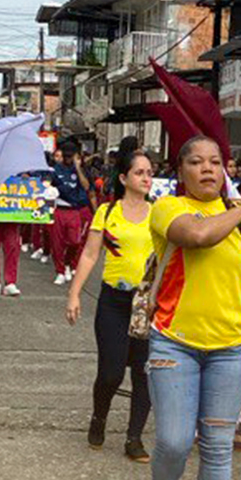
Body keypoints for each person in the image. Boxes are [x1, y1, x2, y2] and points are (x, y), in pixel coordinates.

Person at [140, 136, 241, 480]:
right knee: (173, 441)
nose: (207, 169)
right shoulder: (170, 210)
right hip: (175, 343)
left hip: (233, 349)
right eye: (196, 162)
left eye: (216, 162)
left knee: (217, 448)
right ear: (181, 172)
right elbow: (199, 236)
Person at [66, 144, 154, 461]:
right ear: (124, 177)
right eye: (140, 172)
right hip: (113, 302)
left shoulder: (160, 213)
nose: (147, 178)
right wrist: (74, 293)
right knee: (112, 372)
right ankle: (99, 417)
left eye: (150, 172)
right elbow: (90, 254)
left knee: (145, 373)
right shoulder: (108, 213)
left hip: (148, 304)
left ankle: (134, 438)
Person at [47, 140, 94, 285]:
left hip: (74, 211)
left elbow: (86, 187)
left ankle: (68, 263)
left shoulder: (81, 170)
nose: (67, 159)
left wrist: (78, 168)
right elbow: (47, 186)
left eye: (70, 156)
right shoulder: (56, 169)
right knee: (57, 243)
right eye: (65, 156)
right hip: (59, 210)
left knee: (75, 241)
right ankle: (60, 271)